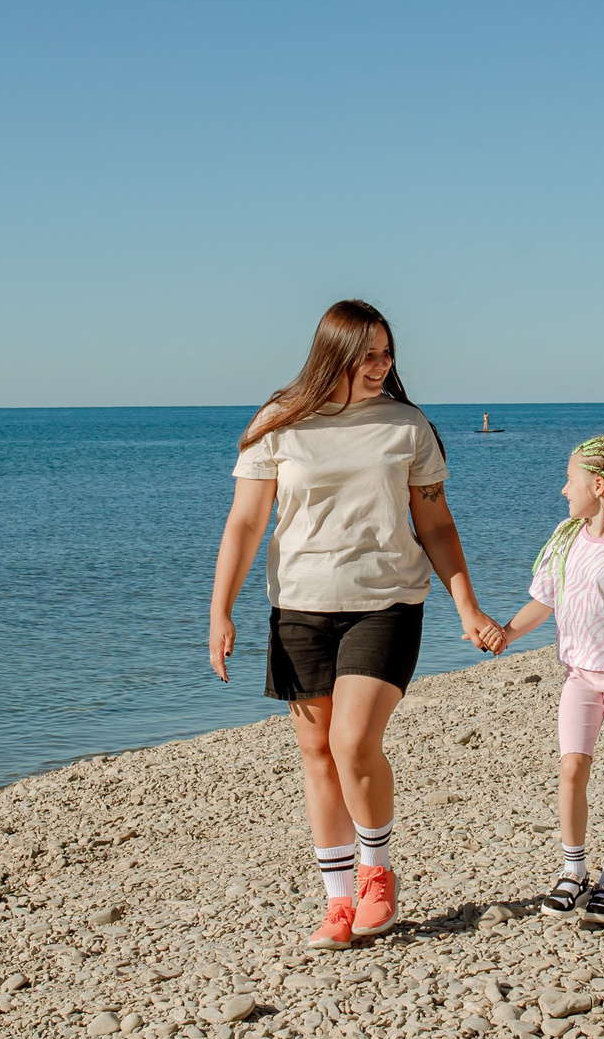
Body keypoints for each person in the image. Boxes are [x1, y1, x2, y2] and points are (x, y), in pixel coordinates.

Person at [209, 300, 503, 950]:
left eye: (386, 353)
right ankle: (337, 901)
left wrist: (469, 606)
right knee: (316, 754)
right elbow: (246, 523)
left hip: (386, 603)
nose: (381, 366)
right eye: (367, 354)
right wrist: (220, 608)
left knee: (351, 742)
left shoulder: (406, 427)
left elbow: (436, 524)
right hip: (299, 608)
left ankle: (376, 871)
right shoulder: (278, 423)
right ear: (332, 354)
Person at [484, 438, 604, 926]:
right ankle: (573, 870)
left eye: (571, 480)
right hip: (580, 675)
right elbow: (544, 601)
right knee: (572, 766)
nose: (563, 489)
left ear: (599, 485)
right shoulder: (565, 538)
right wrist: (506, 632)